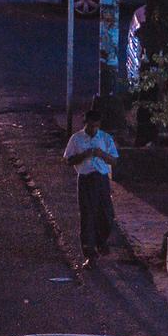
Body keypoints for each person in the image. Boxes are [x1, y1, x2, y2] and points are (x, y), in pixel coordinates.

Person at [64, 107, 119, 265]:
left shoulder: (105, 138)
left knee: (106, 214)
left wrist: (101, 154)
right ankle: (89, 252)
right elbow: (68, 160)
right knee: (87, 215)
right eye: (90, 126)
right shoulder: (76, 139)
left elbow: (114, 160)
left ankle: (101, 242)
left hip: (101, 179)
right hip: (86, 179)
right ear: (85, 123)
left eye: (96, 126)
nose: (93, 129)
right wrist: (85, 155)